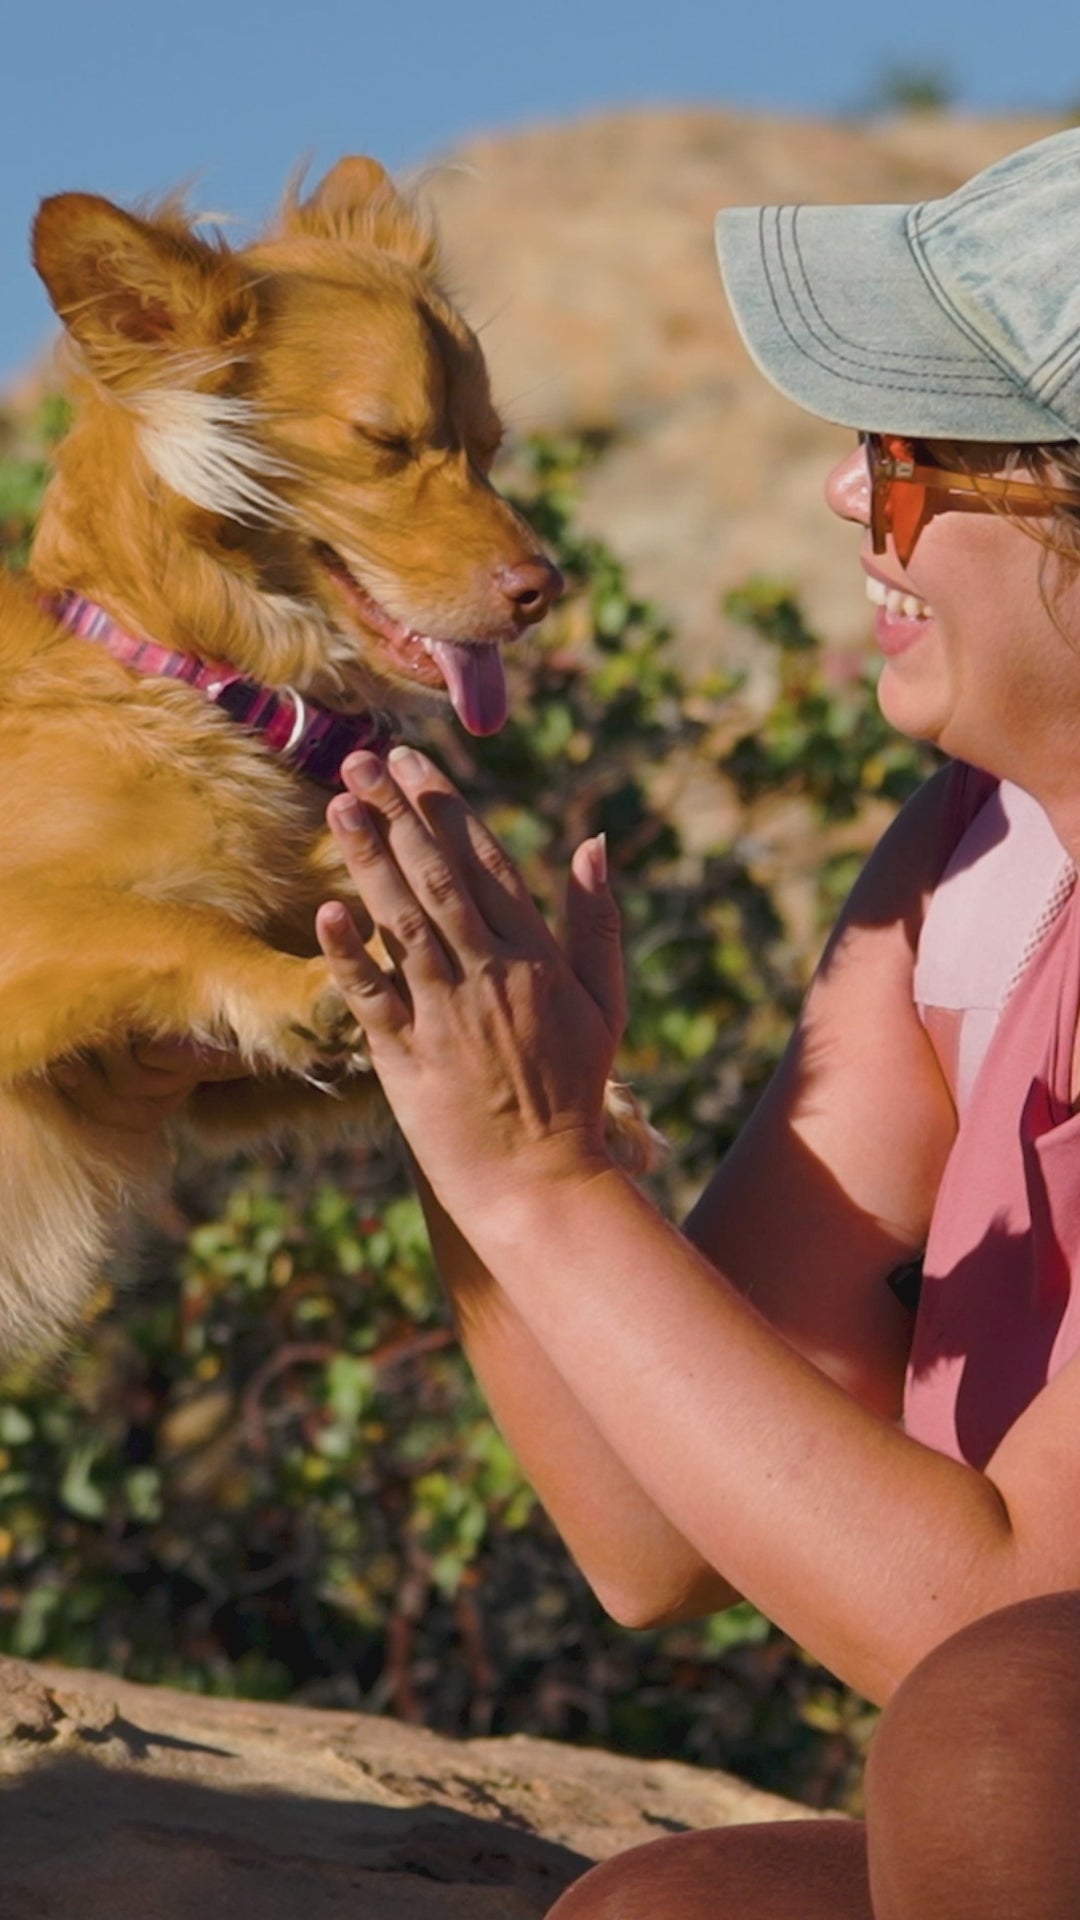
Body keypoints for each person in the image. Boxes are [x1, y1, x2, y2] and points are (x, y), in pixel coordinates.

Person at [60, 128, 1080, 1917]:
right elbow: (657, 1538)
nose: (849, 498)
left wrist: (548, 1181)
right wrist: (478, 1104)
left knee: (994, 1743)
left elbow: (991, 1629)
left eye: (915, 461)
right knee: (651, 1912)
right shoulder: (964, 867)